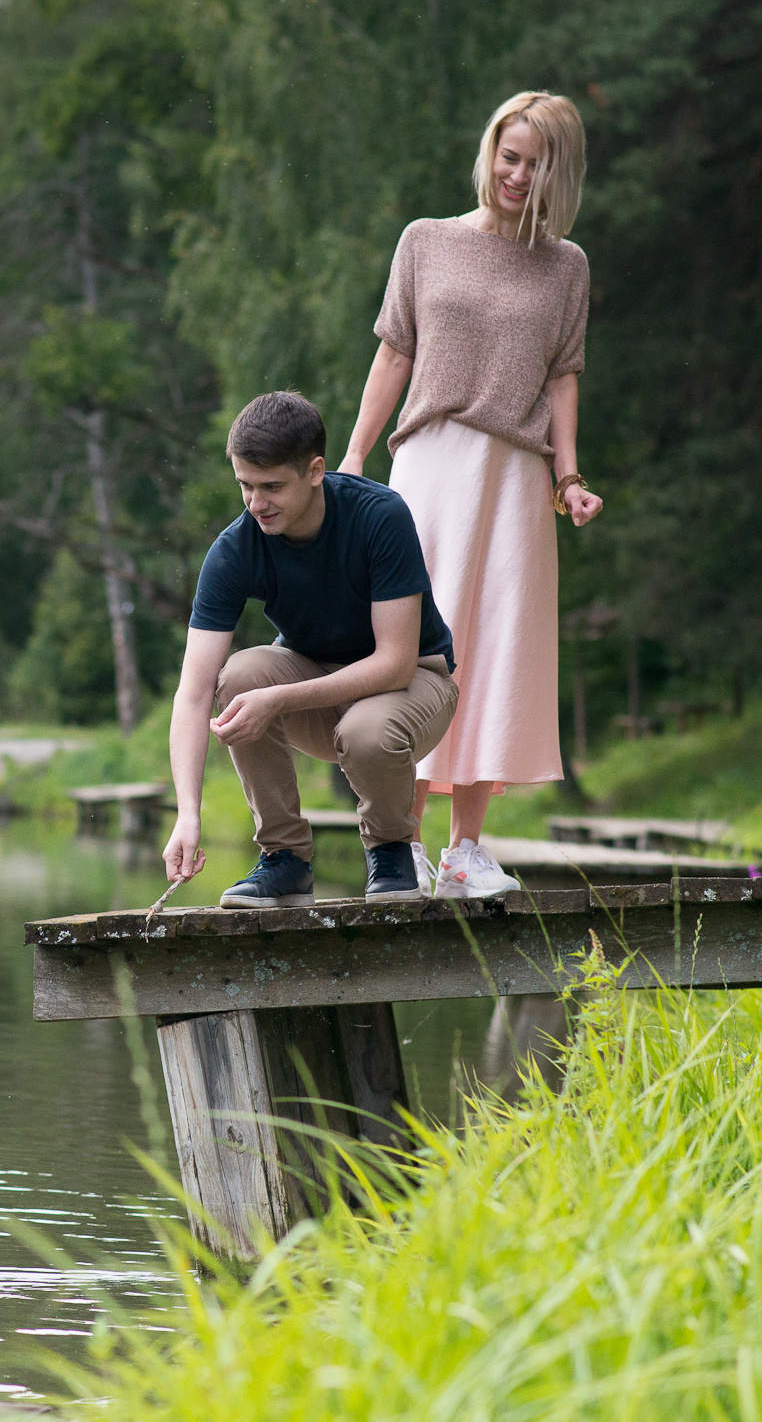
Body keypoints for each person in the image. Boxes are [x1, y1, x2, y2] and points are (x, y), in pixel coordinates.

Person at [338, 90, 602, 899]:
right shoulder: (426, 241)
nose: (518, 174)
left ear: (560, 172)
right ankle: (402, 847)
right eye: (508, 155)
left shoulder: (567, 265)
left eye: (536, 162)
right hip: (429, 468)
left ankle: (466, 849)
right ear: (489, 152)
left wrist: (569, 476)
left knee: (496, 649)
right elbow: (393, 356)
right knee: (417, 648)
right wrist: (351, 460)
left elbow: (563, 377)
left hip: (518, 481)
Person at [162, 391, 459, 906]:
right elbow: (192, 694)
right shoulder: (236, 549)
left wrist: (278, 701)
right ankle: (285, 860)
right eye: (245, 486)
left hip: (415, 684)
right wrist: (188, 813)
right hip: (319, 693)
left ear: (316, 470)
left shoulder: (378, 516)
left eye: (272, 486)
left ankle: (391, 850)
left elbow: (394, 664)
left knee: (366, 729)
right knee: (239, 676)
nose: (256, 504)